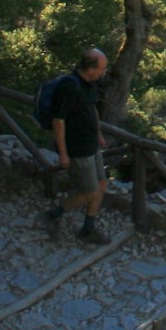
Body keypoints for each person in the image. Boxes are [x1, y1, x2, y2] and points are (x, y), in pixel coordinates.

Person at [42, 49, 109, 243]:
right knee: (91, 192)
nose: (104, 72)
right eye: (102, 68)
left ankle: (88, 228)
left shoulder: (90, 84)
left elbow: (91, 108)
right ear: (90, 69)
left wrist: (98, 133)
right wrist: (63, 154)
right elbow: (58, 121)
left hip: (91, 144)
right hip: (77, 149)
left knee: (102, 184)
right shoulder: (69, 86)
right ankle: (54, 214)